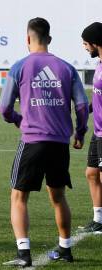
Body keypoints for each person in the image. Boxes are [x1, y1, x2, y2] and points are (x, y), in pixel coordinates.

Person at [0, 18, 89, 267]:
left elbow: (4, 107)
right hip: (59, 143)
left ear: (28, 39)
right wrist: (80, 133)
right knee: (58, 196)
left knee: (19, 197)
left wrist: (17, 119)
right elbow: (82, 106)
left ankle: (24, 254)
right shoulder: (67, 68)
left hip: (32, 141)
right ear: (49, 39)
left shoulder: (19, 67)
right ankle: (65, 248)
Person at [78, 22, 102, 234]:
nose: (85, 48)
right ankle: (98, 219)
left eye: (86, 43)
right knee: (92, 173)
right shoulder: (99, 65)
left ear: (96, 43)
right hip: (98, 131)